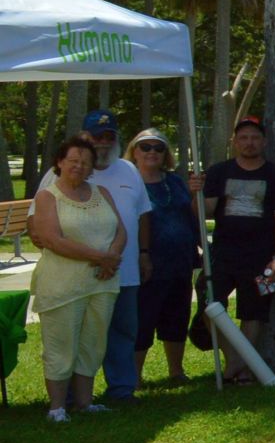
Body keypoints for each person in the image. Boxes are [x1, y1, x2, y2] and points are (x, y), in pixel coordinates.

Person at [38, 110, 149, 401]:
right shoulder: (55, 176)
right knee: (70, 338)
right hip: (72, 277)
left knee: (116, 335)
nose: (101, 142)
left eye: (108, 136)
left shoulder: (128, 169)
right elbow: (37, 226)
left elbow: (140, 217)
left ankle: (122, 390)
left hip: (120, 273)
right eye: (95, 136)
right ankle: (69, 400)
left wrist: (136, 254)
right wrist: (97, 258)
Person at [30, 134, 126, 421]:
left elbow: (120, 230)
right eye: (73, 160)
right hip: (63, 285)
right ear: (59, 162)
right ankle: (57, 407)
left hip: (102, 282)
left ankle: (85, 402)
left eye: (85, 162)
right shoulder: (48, 196)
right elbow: (51, 239)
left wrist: (112, 258)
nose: (79, 166)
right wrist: (99, 257)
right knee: (61, 345)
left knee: (93, 344)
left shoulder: (102, 193)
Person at [204, 116, 275, 384]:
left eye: (255, 137)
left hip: (261, 257)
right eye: (243, 137)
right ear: (234, 142)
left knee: (252, 313)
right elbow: (206, 210)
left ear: (264, 142)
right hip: (222, 254)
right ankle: (238, 363)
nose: (249, 142)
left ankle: (238, 369)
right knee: (209, 308)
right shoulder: (219, 172)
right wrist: (195, 192)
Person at [127, 128, 201, 385]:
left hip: (180, 263)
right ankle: (134, 376)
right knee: (143, 320)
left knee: (177, 318)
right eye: (145, 147)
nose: (152, 153)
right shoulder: (129, 183)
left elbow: (191, 216)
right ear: (134, 151)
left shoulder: (176, 182)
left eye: (158, 148)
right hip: (146, 265)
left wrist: (195, 195)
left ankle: (176, 371)